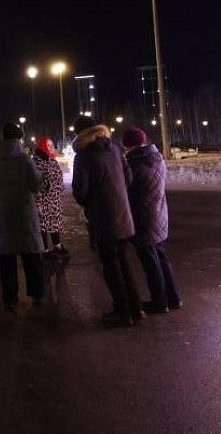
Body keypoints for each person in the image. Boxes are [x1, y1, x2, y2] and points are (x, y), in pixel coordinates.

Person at [71, 114, 144, 327]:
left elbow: (80, 191)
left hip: (103, 219)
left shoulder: (84, 155)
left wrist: (92, 202)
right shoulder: (115, 148)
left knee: (111, 267)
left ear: (80, 134)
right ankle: (136, 307)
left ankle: (123, 312)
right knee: (125, 263)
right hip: (123, 216)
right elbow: (129, 179)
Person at [0, 122, 45, 312]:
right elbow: (36, 185)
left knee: (7, 262)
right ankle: (36, 294)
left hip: (2, 216)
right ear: (19, 138)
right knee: (31, 258)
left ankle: (10, 300)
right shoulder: (24, 159)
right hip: (24, 216)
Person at [122, 126, 181, 313]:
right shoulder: (157, 159)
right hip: (159, 214)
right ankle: (173, 298)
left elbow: (126, 189)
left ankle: (159, 301)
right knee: (161, 258)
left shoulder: (134, 164)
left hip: (143, 217)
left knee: (150, 262)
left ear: (128, 145)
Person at [32, 136, 69, 259]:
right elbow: (36, 182)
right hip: (42, 200)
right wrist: (45, 185)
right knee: (43, 224)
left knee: (54, 223)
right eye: (50, 146)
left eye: (52, 145)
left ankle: (57, 245)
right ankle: (44, 250)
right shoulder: (37, 162)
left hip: (54, 200)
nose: (53, 148)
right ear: (43, 147)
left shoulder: (52, 161)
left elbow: (57, 176)